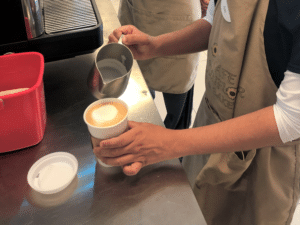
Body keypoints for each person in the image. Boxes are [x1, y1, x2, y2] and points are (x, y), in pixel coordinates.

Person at [94, 0, 300, 224]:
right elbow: (216, 20)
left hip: (262, 163)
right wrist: (155, 46)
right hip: (210, 124)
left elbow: (291, 118)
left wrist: (168, 143)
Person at [117, 0, 203, 129]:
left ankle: (174, 135)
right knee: (141, 89)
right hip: (135, 8)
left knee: (177, 94)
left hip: (178, 14)